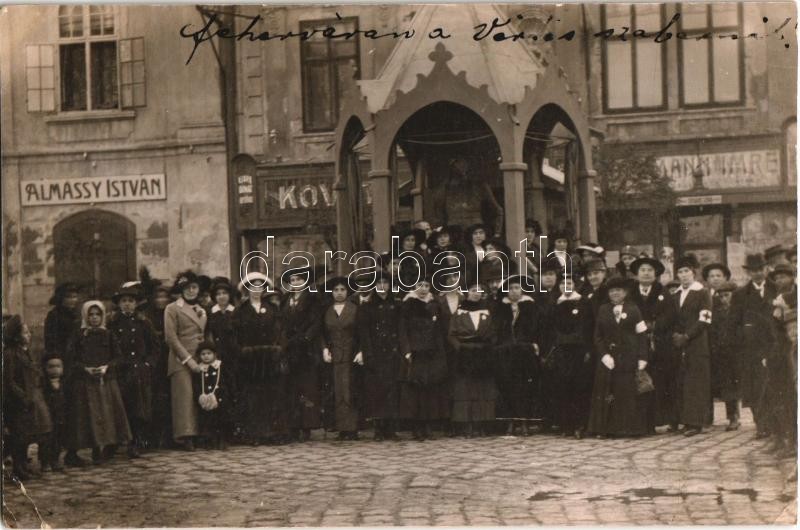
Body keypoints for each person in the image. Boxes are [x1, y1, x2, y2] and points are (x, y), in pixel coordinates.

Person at [64, 301, 132, 464]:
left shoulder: (108, 335)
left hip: (105, 381)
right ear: (85, 316)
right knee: (86, 416)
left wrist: (106, 367)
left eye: (98, 314)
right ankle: (79, 451)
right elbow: (70, 358)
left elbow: (119, 357)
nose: (94, 318)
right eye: (91, 314)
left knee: (105, 414)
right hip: (84, 382)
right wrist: (84, 369)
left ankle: (102, 448)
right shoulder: (78, 335)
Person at [588, 277, 649, 438]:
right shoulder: (603, 309)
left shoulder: (633, 309)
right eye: (612, 291)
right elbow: (597, 336)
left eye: (618, 290)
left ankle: (629, 429)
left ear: (625, 292)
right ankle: (606, 429)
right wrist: (604, 355)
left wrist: (642, 357)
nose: (615, 293)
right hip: (608, 359)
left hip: (628, 358)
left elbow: (642, 335)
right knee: (608, 393)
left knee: (627, 392)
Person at [235, 272, 289, 445]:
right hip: (251, 359)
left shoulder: (272, 309)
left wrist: (278, 348)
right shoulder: (241, 311)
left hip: (270, 358)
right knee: (253, 396)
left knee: (272, 394)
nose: (256, 290)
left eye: (260, 286)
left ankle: (273, 433)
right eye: (253, 286)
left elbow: (281, 331)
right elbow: (236, 335)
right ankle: (254, 434)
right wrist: (243, 351)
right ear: (247, 289)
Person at [108, 283, 158, 458]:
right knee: (119, 406)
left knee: (139, 409)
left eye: (131, 301)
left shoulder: (144, 323)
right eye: (124, 301)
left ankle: (135, 442)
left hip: (139, 371)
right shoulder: (113, 323)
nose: (127, 304)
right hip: (120, 371)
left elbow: (155, 346)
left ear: (136, 304)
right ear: (119, 304)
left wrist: (148, 364)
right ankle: (114, 443)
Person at [730, 253, 777, 439]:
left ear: (766, 269)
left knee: (774, 385)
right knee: (755, 388)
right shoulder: (740, 294)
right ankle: (761, 425)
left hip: (775, 345)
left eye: (760, 269)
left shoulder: (777, 289)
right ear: (748, 272)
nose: (757, 273)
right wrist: (744, 336)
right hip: (750, 349)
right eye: (753, 270)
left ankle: (777, 425)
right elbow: (733, 323)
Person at [627, 255, 674, 432]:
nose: (646, 273)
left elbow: (670, 314)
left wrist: (655, 325)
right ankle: (640, 422)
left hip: (658, 342)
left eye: (650, 270)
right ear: (637, 274)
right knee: (638, 379)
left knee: (658, 380)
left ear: (655, 274)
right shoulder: (630, 292)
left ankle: (657, 420)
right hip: (636, 341)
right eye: (643, 270)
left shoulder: (663, 292)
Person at [358, 269, 406, 441]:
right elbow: (364, 333)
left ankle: (391, 429)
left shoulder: (397, 304)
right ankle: (378, 428)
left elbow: (401, 329)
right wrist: (368, 354)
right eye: (378, 283)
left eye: (385, 283)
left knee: (392, 390)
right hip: (376, 354)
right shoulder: (367, 306)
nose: (382, 286)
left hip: (393, 353)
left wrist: (402, 350)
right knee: (377, 390)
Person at [399, 275, 448, 441]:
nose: (423, 289)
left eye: (426, 285)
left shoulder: (434, 304)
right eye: (420, 285)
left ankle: (428, 426)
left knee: (430, 390)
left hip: (431, 353)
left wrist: (439, 351)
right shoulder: (408, 304)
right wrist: (407, 350)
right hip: (415, 353)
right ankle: (416, 427)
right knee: (415, 391)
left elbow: (439, 330)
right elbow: (402, 329)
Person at [3, 316, 52, 480]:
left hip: (28, 400)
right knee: (18, 435)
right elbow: (9, 381)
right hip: (17, 402)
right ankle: (18, 468)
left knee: (25, 434)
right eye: (25, 332)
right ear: (16, 336)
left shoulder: (25, 352)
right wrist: (23, 397)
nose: (29, 335)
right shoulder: (10, 354)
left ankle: (23, 465)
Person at [448, 278, 497, 437]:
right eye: (473, 290)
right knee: (465, 390)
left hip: (483, 354)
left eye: (480, 290)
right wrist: (461, 349)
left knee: (483, 389)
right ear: (467, 292)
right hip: (465, 355)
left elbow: (493, 333)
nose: (477, 293)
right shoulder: (459, 312)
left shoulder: (487, 311)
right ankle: (466, 425)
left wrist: (487, 348)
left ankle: (481, 424)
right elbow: (451, 335)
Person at [493, 275, 542, 436]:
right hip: (505, 353)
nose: (514, 291)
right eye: (510, 288)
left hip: (525, 352)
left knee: (525, 387)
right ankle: (510, 422)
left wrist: (533, 344)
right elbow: (495, 330)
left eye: (516, 288)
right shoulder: (500, 308)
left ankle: (524, 422)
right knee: (507, 387)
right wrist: (500, 346)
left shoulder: (530, 307)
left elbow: (538, 328)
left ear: (522, 290)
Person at [164, 271, 207, 451]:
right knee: (184, 397)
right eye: (187, 288)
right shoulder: (172, 308)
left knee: (200, 393)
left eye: (194, 287)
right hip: (180, 358)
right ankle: (185, 436)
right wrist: (188, 360)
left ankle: (199, 434)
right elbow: (171, 338)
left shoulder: (201, 309)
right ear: (181, 290)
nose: (191, 291)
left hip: (200, 356)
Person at [671, 255, 713, 437]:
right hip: (680, 344)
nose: (683, 275)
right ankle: (685, 420)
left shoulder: (702, 292)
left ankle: (697, 423)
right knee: (683, 382)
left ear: (693, 273)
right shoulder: (676, 294)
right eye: (680, 272)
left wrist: (687, 336)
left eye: (686, 271)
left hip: (697, 343)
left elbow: (705, 319)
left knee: (696, 383)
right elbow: (674, 318)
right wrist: (676, 335)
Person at [549, 274, 593, 439]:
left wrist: (587, 348)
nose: (565, 286)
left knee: (579, 386)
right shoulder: (555, 303)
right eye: (562, 283)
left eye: (569, 282)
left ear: (575, 285)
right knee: (563, 386)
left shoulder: (583, 302)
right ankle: (565, 425)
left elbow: (588, 326)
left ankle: (580, 425)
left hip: (579, 350)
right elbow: (550, 328)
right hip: (561, 350)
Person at [281, 267, 323, 442]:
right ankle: (294, 425)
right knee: (292, 388)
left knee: (307, 387)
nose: (296, 283)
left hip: (306, 350)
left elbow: (316, 323)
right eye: (293, 280)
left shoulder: (312, 299)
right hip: (290, 349)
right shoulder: (286, 299)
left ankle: (307, 426)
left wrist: (305, 338)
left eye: (299, 279)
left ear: (305, 282)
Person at [320, 276, 361, 440]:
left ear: (347, 291)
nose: (339, 293)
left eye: (342, 290)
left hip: (351, 355)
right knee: (337, 391)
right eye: (336, 290)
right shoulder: (327, 310)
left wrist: (361, 351)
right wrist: (324, 349)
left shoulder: (355, 309)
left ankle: (352, 428)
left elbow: (361, 333)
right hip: (334, 356)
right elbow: (322, 333)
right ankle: (341, 428)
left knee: (350, 390)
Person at [768, 263, 798, 457]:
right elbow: (776, 331)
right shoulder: (777, 302)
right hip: (786, 353)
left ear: (792, 277)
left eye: (783, 277)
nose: (780, 281)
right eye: (777, 278)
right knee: (784, 397)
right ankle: (786, 440)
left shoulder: (790, 298)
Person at [141, 283, 173, 449]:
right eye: (158, 297)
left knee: (168, 397)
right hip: (155, 361)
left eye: (164, 297)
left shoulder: (172, 313)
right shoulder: (147, 316)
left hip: (170, 358)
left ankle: (167, 436)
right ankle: (151, 437)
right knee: (153, 397)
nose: (161, 300)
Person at [708, 280, 741, 431]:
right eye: (721, 296)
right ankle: (733, 417)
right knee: (728, 386)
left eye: (727, 295)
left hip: (738, 352)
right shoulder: (717, 312)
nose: (724, 299)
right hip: (722, 354)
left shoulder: (741, 310)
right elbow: (713, 332)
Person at [193, 341, 232, 450]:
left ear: (214, 354)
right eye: (203, 354)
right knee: (207, 420)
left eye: (209, 353)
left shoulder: (219, 366)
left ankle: (222, 440)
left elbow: (227, 381)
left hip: (220, 398)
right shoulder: (200, 369)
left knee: (221, 419)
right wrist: (199, 396)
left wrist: (223, 394)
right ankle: (210, 441)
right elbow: (196, 384)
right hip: (206, 399)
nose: (206, 356)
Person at [40, 353, 66, 472]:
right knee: (46, 439)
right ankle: (45, 461)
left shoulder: (64, 383)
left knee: (59, 437)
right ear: (45, 368)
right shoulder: (43, 383)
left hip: (60, 415)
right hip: (47, 415)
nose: (55, 370)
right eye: (51, 367)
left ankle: (55, 459)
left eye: (58, 366)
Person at [44, 283, 81, 362]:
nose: (73, 300)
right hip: (61, 355)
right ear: (61, 298)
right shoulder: (54, 315)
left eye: (75, 297)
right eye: (69, 297)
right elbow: (51, 340)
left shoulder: (77, 314)